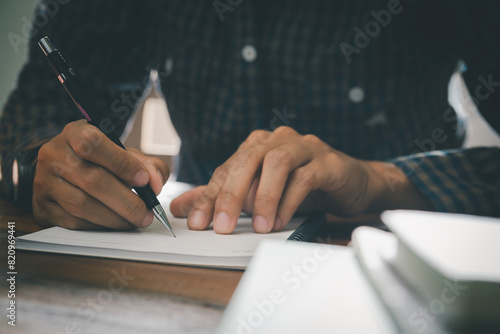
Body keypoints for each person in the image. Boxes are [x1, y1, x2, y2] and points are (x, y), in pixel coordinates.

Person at [1, 0, 499, 234]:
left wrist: (384, 180)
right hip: (195, 251)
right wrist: (46, 168)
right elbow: (40, 113)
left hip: (398, 255)